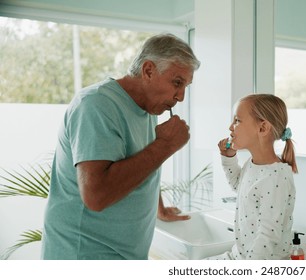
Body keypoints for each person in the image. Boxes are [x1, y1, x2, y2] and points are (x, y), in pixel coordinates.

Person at [41, 33, 200, 260]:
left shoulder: (148, 108)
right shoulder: (96, 105)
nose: (181, 97)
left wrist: (159, 208)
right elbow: (96, 196)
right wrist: (165, 146)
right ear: (148, 71)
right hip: (84, 256)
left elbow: (141, 163)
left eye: (185, 86)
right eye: (177, 83)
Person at [211, 93, 297, 260]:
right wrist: (228, 158)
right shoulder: (253, 164)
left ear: (262, 128)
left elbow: (267, 236)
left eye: (237, 120)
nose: (230, 127)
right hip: (239, 256)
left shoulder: (276, 177)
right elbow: (238, 185)